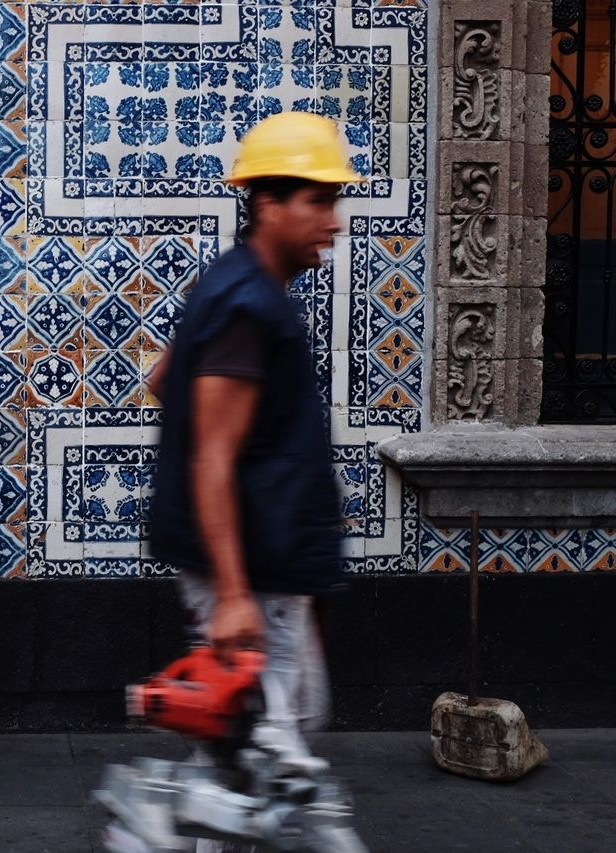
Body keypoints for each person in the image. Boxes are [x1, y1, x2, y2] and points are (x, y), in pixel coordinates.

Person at [149, 112, 362, 735]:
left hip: (264, 562)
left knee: (252, 756)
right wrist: (235, 592)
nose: (333, 221)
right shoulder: (249, 303)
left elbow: (165, 381)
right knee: (268, 750)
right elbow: (212, 457)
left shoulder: (232, 284)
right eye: (318, 201)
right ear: (267, 202)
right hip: (254, 573)